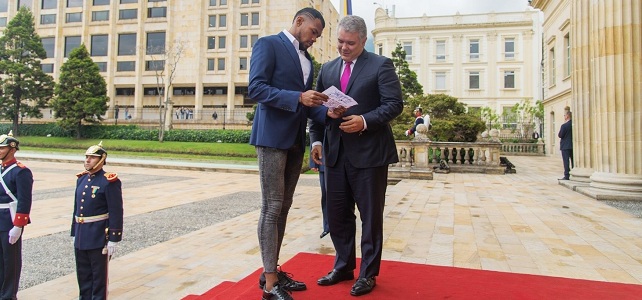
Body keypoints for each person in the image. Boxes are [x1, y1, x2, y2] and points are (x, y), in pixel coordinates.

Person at [248, 7, 344, 300]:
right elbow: (256, 89)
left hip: (294, 141)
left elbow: (306, 105)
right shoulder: (268, 44)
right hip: (271, 138)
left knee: (285, 206)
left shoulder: (308, 61)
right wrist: (297, 96)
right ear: (299, 21)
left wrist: (330, 113)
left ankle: (272, 271)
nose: (315, 38)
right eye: (313, 32)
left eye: (318, 35)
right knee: (272, 206)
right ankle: (269, 284)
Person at [309, 15, 403, 297]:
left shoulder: (381, 65)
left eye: (350, 43)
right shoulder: (327, 69)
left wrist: (363, 120)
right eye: (339, 41)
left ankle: (368, 273)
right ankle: (343, 266)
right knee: (337, 215)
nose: (343, 47)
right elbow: (317, 110)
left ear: (363, 41)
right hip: (334, 155)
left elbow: (394, 105)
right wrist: (315, 140)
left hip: (370, 156)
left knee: (371, 218)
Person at [71, 142, 124, 300]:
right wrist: (74, 232)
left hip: (98, 236)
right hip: (81, 235)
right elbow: (76, 209)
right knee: (83, 276)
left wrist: (114, 238)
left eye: (92, 158)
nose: (88, 160)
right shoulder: (81, 180)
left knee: (98, 279)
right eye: (87, 157)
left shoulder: (109, 182)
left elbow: (116, 211)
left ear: (102, 160)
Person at [0, 131, 33, 299]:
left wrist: (18, 225)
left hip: (9, 222)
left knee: (10, 262)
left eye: (2, 148)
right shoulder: (1, 169)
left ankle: (8, 295)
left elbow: (24, 200)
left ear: (12, 150)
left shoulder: (21, 171)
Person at [308, 120, 329, 239]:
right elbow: (314, 125)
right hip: (324, 157)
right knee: (326, 195)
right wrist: (313, 162)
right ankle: (327, 226)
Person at [558, 109, 573, 180]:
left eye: (564, 115)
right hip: (572, 145)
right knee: (573, 160)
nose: (564, 117)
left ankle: (567, 175)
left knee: (566, 161)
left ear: (567, 116)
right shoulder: (573, 124)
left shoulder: (564, 126)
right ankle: (574, 173)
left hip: (565, 146)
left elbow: (560, 135)